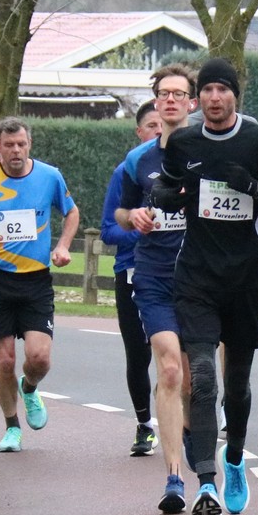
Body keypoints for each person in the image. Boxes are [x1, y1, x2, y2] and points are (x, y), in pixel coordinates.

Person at [153, 56, 258, 515]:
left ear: (235, 95)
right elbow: (166, 188)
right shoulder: (184, 142)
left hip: (245, 280)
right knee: (201, 377)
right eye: (208, 90)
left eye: (223, 90)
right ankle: (206, 482)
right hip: (196, 277)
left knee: (235, 386)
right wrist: (164, 197)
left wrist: (253, 187)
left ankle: (234, 457)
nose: (215, 98)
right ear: (199, 99)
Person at [0, 118, 80, 453]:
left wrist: (63, 246)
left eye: (21, 144)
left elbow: (71, 212)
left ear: (29, 144)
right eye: (9, 145)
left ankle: (30, 387)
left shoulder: (49, 176)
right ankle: (11, 427)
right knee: (4, 360)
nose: (15, 151)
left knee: (39, 358)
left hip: (36, 280)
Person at [115, 63, 198, 513]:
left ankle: (189, 436)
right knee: (168, 369)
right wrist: (135, 217)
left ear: (191, 102)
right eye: (163, 93)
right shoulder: (138, 160)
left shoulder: (209, 152)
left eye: (178, 94)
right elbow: (120, 212)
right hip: (154, 276)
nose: (170, 100)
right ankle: (173, 478)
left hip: (200, 278)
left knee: (192, 379)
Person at [101, 99, 163, 458]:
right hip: (133, 273)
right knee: (139, 355)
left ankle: (189, 419)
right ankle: (144, 424)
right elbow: (108, 230)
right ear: (139, 132)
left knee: (182, 353)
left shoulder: (190, 167)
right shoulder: (125, 170)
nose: (159, 131)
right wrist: (140, 230)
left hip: (177, 271)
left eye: (164, 125)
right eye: (152, 126)